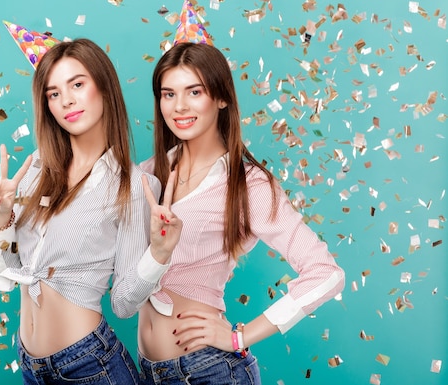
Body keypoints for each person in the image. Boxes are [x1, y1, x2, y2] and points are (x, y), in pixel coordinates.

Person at [137, 41, 346, 385]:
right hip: (149, 373)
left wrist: (239, 337)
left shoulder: (248, 187)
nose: (179, 106)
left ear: (221, 98)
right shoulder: (149, 173)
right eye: (168, 94)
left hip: (209, 371)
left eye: (194, 91)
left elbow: (326, 274)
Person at [0, 38, 180, 385]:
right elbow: (10, 270)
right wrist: (1, 221)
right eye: (53, 93)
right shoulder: (34, 171)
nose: (66, 100)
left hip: (90, 365)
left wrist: (159, 254)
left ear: (103, 87)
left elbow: (122, 303)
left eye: (77, 84)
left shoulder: (134, 186)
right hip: (31, 364)